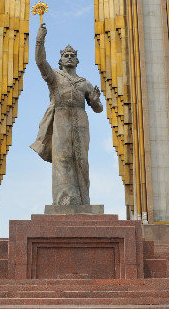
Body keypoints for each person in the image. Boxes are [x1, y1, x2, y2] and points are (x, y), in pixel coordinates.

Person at [30, 22, 103, 206]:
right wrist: (40, 39)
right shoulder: (54, 77)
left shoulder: (84, 83)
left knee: (81, 159)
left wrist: (94, 100)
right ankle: (63, 201)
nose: (69, 57)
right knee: (62, 159)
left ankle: (83, 200)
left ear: (77, 61)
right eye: (65, 55)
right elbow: (40, 62)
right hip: (61, 118)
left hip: (80, 120)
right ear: (60, 60)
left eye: (72, 56)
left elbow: (98, 108)